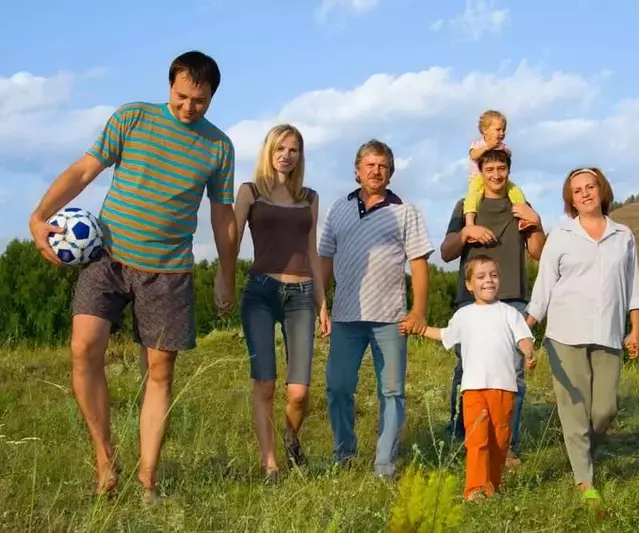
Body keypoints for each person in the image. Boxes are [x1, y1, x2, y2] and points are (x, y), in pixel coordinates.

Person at [27, 51, 238, 502]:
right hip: (108, 256)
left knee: (159, 373)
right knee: (83, 347)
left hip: (168, 271)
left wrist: (226, 272)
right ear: (169, 87)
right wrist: (39, 216)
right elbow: (85, 170)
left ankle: (148, 481)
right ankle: (105, 458)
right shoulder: (132, 118)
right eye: (182, 96)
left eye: (199, 101)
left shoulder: (219, 147)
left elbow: (222, 217)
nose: (188, 108)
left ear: (212, 97)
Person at [525, 167, 639, 506]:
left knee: (604, 411)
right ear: (571, 200)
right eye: (578, 190)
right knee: (574, 410)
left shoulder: (624, 235)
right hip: (565, 333)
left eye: (590, 187)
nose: (586, 193)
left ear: (601, 190)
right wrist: (527, 324)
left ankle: (582, 454)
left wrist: (635, 329)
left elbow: (633, 287)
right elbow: (544, 286)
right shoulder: (561, 235)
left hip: (609, 333)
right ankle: (584, 480)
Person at [318, 139, 434, 478]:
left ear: (390, 172)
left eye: (382, 165)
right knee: (338, 386)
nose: (375, 171)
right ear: (357, 170)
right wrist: (320, 305)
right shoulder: (338, 208)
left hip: (391, 318)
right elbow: (324, 260)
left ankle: (385, 463)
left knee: (393, 391)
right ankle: (344, 454)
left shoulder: (406, 211)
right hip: (345, 316)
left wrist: (418, 311)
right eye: (369, 165)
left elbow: (419, 264)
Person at [230, 124, 331, 483]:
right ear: (268, 151)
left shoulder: (309, 197)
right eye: (280, 148)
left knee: (299, 391)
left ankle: (291, 438)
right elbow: (231, 241)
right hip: (260, 291)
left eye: (294, 149)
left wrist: (322, 303)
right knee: (265, 383)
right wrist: (223, 279)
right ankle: (270, 464)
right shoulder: (250, 191)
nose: (286, 155)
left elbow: (311, 251)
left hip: (301, 294)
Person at [400, 254, 537, 501]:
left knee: (499, 441)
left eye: (493, 276)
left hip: (504, 388)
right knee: (477, 440)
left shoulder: (509, 313)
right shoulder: (464, 315)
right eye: (481, 277)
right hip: (473, 389)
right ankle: (474, 489)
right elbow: (444, 335)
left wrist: (528, 352)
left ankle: (493, 486)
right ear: (469, 284)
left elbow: (524, 338)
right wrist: (418, 328)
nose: (488, 281)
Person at [440, 148, 545, 465]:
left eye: (502, 169)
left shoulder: (520, 206)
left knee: (513, 377)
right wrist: (466, 232)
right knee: (468, 372)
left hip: (512, 297)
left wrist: (536, 222)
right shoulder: (465, 206)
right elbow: (446, 252)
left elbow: (539, 252)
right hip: (469, 301)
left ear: (508, 171)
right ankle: (464, 440)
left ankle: (505, 445)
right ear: (480, 172)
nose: (496, 175)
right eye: (490, 169)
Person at [463, 110, 532, 232]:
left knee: (515, 190)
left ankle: (523, 217)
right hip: (478, 179)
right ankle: (469, 224)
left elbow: (508, 154)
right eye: (498, 129)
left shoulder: (501, 145)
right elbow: (473, 155)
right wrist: (487, 147)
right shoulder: (478, 144)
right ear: (485, 130)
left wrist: (504, 151)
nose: (502, 133)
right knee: (472, 197)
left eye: (503, 130)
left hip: (498, 181)